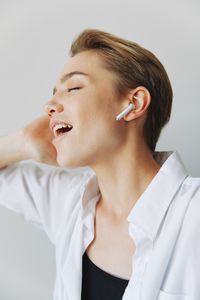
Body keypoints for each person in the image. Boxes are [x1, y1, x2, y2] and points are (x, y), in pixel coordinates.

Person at [0, 28, 199, 300]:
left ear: (134, 103)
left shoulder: (193, 218)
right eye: (54, 93)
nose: (50, 104)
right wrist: (22, 143)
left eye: (73, 88)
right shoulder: (68, 202)